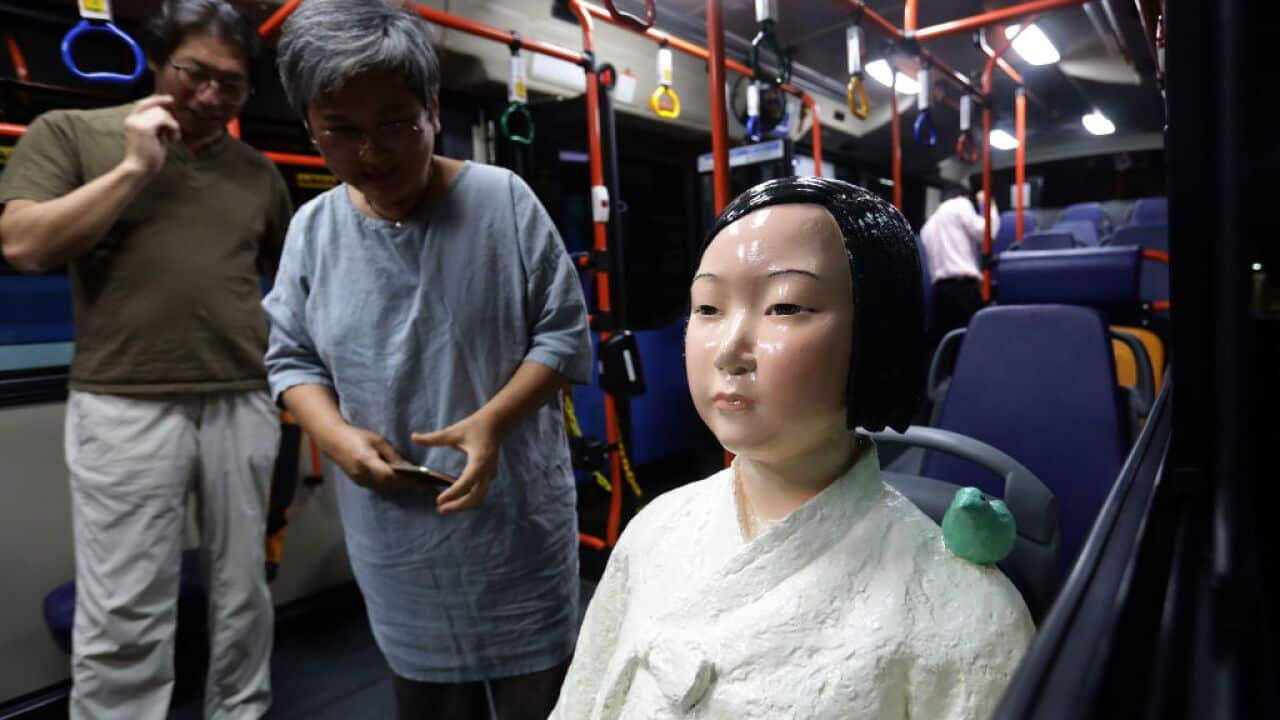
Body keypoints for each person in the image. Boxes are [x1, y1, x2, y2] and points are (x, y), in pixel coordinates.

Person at [552, 177, 1033, 719]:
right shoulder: (652, 531)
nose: (729, 350)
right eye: (708, 308)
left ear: (877, 332)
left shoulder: (963, 611)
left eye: (783, 307)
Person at [264, 2, 591, 718]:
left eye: (394, 124)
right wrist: (337, 437)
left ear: (433, 109)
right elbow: (290, 359)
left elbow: (565, 337)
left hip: (513, 521)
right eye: (341, 132)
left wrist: (494, 424)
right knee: (428, 701)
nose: (372, 154)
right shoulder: (313, 230)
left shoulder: (502, 201)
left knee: (542, 696)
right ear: (310, 126)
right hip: (397, 534)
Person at [0, 1, 291, 718]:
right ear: (158, 61)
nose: (211, 97)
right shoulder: (70, 133)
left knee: (243, 589)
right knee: (125, 604)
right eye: (195, 74)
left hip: (242, 398)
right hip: (125, 401)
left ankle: (241, 711)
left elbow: (289, 285)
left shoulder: (257, 174)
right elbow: (26, 245)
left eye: (232, 85)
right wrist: (135, 167)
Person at [919, 187, 999, 346]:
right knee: (970, 345)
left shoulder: (928, 226)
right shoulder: (960, 205)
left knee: (947, 347)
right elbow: (986, 234)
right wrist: (990, 206)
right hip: (963, 289)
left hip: (939, 293)